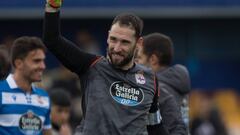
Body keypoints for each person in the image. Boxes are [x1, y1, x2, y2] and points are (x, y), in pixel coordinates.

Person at [43, 1, 169, 135]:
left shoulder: (150, 79)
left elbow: (155, 126)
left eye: (125, 42)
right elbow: (52, 40)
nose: (117, 48)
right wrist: (53, 5)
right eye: (113, 39)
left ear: (138, 43)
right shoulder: (91, 66)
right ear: (108, 37)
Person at [135, 32, 191, 134]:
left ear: (153, 59)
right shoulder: (176, 83)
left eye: (139, 58)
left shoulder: (159, 89)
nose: (136, 63)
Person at [0, 36, 52, 135]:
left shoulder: (44, 97)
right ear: (19, 63)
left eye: (43, 60)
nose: (43, 66)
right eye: (36, 61)